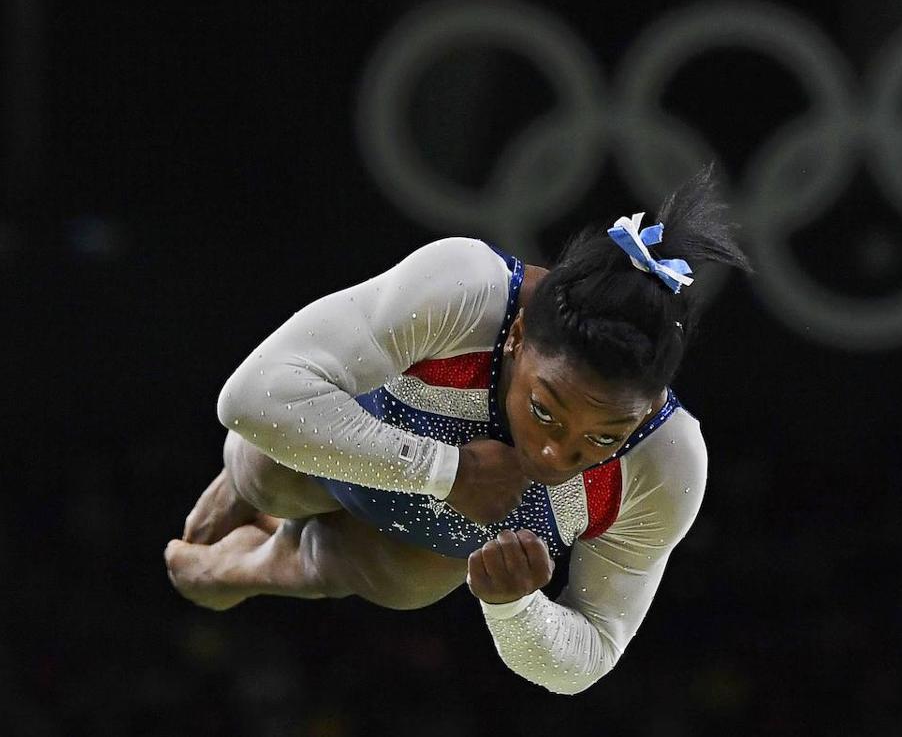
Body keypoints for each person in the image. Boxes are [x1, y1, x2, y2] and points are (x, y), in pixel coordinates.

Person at [165, 166, 750, 694]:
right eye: (545, 410)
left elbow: (595, 650)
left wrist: (515, 607)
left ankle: (242, 568)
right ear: (518, 336)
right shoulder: (465, 290)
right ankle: (243, 485)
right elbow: (251, 395)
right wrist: (447, 471)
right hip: (334, 449)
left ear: (646, 411)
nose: (556, 452)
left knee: (414, 580)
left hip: (405, 547)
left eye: (602, 438)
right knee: (271, 472)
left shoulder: (667, 462)